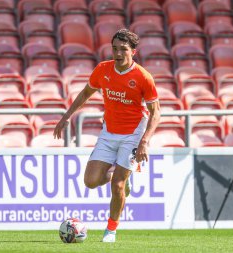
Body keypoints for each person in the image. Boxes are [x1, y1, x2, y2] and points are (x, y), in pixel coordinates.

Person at [53, 29, 160, 243]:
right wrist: (67, 115)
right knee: (90, 181)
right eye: (115, 49)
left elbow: (156, 112)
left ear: (133, 52)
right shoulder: (103, 69)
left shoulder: (143, 77)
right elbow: (85, 93)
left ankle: (110, 231)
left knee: (118, 185)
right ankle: (117, 172)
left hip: (133, 134)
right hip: (109, 132)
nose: (118, 53)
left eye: (123, 49)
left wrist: (144, 142)